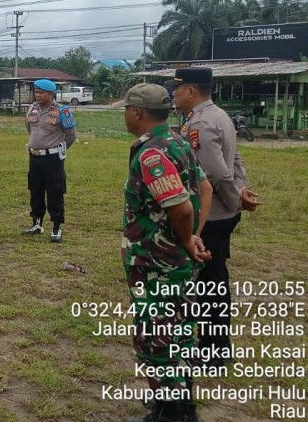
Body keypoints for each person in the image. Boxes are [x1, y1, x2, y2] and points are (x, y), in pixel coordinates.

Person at [117, 83, 212, 422]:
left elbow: (182, 208)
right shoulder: (177, 141)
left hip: (157, 265)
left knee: (156, 340)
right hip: (176, 262)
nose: (125, 114)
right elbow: (204, 186)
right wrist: (194, 238)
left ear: (138, 112)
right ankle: (183, 410)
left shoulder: (153, 153)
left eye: (127, 108)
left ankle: (169, 414)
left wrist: (187, 238)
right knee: (179, 334)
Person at [165, 68, 261, 370]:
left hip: (213, 214)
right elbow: (235, 160)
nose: (174, 94)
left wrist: (234, 200)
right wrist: (242, 190)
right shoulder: (218, 115)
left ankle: (214, 351)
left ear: (191, 91)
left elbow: (216, 172)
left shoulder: (202, 123)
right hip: (223, 210)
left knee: (210, 282)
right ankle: (214, 346)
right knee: (214, 278)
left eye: (177, 89)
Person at [22, 78, 76, 242]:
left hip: (53, 158)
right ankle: (37, 223)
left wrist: (56, 149)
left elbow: (71, 136)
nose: (37, 95)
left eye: (40, 92)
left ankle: (56, 226)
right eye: (36, 92)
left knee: (55, 192)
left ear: (50, 94)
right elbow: (29, 129)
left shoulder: (62, 111)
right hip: (34, 156)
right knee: (35, 190)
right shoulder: (32, 108)